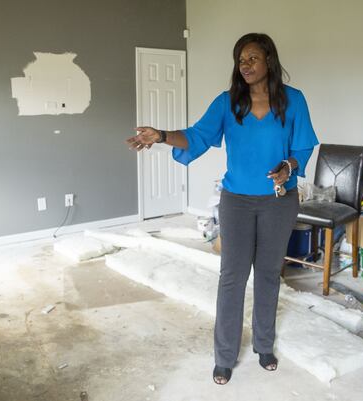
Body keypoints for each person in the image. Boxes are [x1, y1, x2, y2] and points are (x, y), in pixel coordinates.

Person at [126, 33, 319, 385]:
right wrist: (163, 135)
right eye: (240, 60)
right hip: (237, 202)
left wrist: (289, 167)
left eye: (252, 58)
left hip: (279, 201)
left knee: (268, 275)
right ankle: (225, 355)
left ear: (269, 61)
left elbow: (302, 149)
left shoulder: (293, 100)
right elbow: (196, 136)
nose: (245, 66)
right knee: (232, 277)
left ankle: (264, 345)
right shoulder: (228, 103)